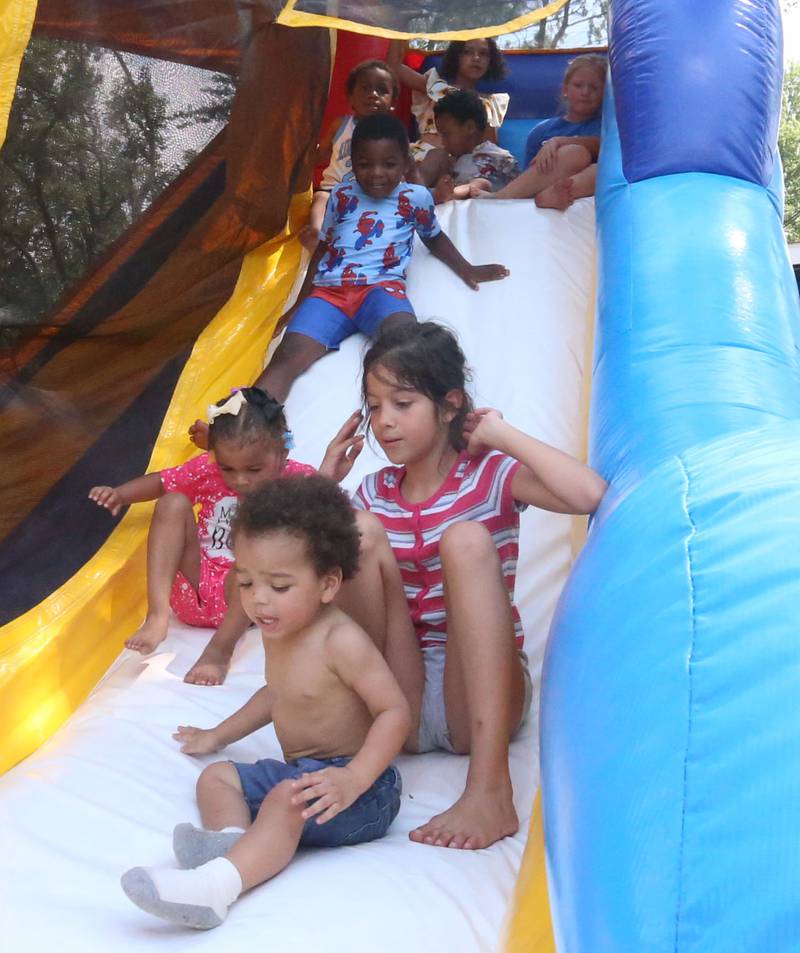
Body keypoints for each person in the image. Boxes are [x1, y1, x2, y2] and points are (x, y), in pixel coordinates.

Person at [324, 322, 607, 851]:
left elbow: (589, 495)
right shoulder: (373, 491)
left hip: (476, 687)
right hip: (394, 697)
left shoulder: (491, 473)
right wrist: (325, 484)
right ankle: (370, 734)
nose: (384, 422)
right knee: (353, 532)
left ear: (450, 405)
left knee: (465, 540)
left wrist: (502, 435)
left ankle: (490, 786)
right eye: (374, 406)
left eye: (402, 403)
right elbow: (300, 574)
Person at [120, 476, 411, 930]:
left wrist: (353, 779)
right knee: (218, 777)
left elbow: (395, 711)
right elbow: (277, 694)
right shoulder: (282, 633)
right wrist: (219, 735)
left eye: (279, 586)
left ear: (328, 584)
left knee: (283, 800)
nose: (258, 599)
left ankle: (217, 887)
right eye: (247, 581)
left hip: (362, 791)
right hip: (300, 775)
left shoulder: (341, 640)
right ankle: (232, 845)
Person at [88, 387, 315, 686]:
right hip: (193, 589)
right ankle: (157, 617)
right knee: (172, 502)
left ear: (283, 454)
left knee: (245, 569)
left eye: (254, 469)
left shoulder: (297, 481)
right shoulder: (208, 471)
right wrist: (120, 494)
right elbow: (161, 482)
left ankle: (219, 650)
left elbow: (328, 512)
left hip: (247, 601)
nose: (240, 479)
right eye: (227, 468)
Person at [474, 53, 606, 209]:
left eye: (594, 87)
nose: (585, 92)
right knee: (575, 154)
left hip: (583, 186)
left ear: (605, 93)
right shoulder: (542, 131)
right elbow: (529, 175)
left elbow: (604, 146)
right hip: (541, 186)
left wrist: (558, 142)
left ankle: (558, 193)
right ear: (565, 89)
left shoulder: (607, 127)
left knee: (600, 168)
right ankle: (502, 197)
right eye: (578, 85)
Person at [298, 59, 399, 252]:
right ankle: (316, 233)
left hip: (371, 190)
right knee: (320, 199)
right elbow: (319, 157)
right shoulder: (341, 125)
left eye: (382, 90)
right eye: (365, 88)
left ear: (393, 102)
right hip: (333, 189)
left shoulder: (392, 132)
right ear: (350, 97)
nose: (373, 95)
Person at [388, 37, 509, 187]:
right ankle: (413, 195)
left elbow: (490, 147)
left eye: (483, 54)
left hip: (463, 167)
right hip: (425, 160)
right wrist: (399, 26)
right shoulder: (437, 88)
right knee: (438, 155)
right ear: (456, 56)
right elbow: (394, 67)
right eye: (468, 52)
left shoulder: (490, 103)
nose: (476, 58)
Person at [429, 88, 520, 203]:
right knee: (435, 154)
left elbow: (484, 184)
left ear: (470, 128)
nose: (443, 142)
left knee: (480, 183)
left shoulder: (492, 157)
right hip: (457, 201)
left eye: (446, 135)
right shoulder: (455, 158)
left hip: (491, 201)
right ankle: (417, 186)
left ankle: (454, 193)